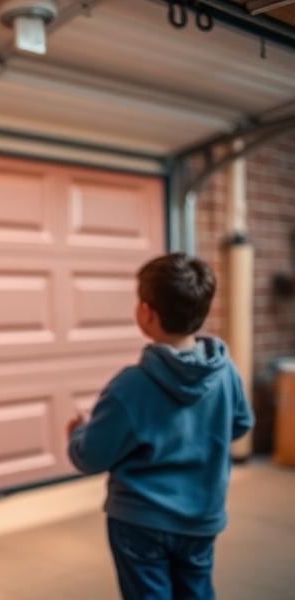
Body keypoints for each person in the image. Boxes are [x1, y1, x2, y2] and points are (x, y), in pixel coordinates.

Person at [67, 252, 254, 600]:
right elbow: (241, 425)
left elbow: (90, 456)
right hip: (202, 517)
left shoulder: (131, 386)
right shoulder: (225, 373)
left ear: (146, 313)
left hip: (140, 523)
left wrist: (77, 434)